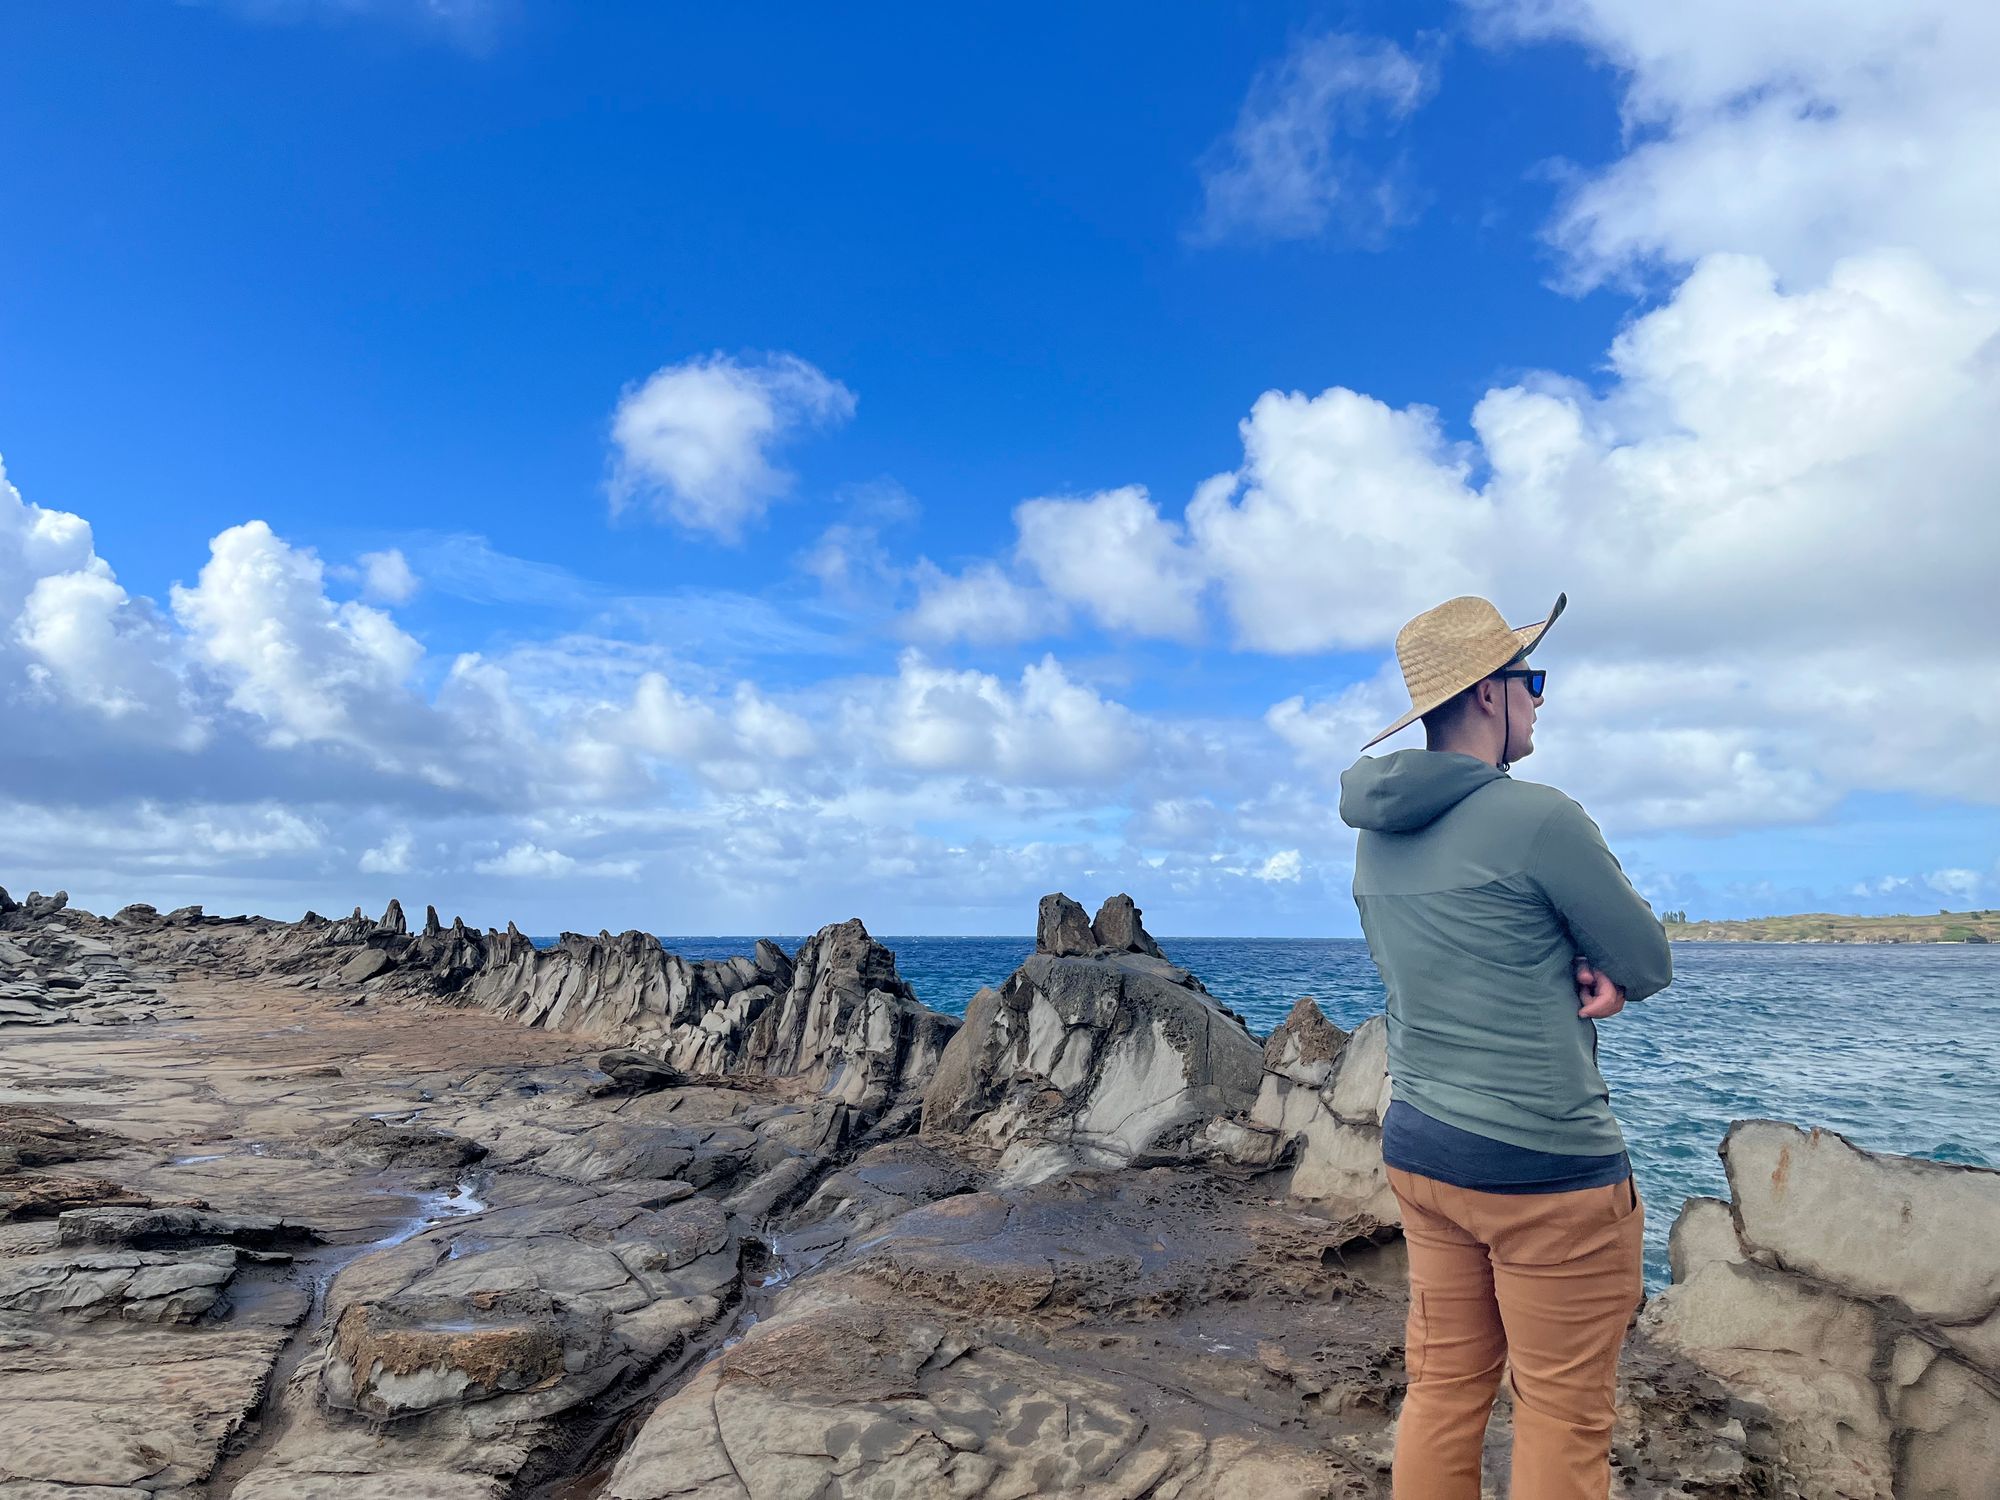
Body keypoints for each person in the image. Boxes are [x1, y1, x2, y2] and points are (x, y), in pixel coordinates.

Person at [1337, 592, 1672, 1500]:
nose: (1539, 700)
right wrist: (1605, 972)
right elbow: (1647, 959)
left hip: (1423, 1147)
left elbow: (1446, 964)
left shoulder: (1375, 840)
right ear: (1490, 693)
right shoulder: (1540, 820)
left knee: (1444, 1388)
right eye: (1533, 680)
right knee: (1561, 1415)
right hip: (1545, 1170)